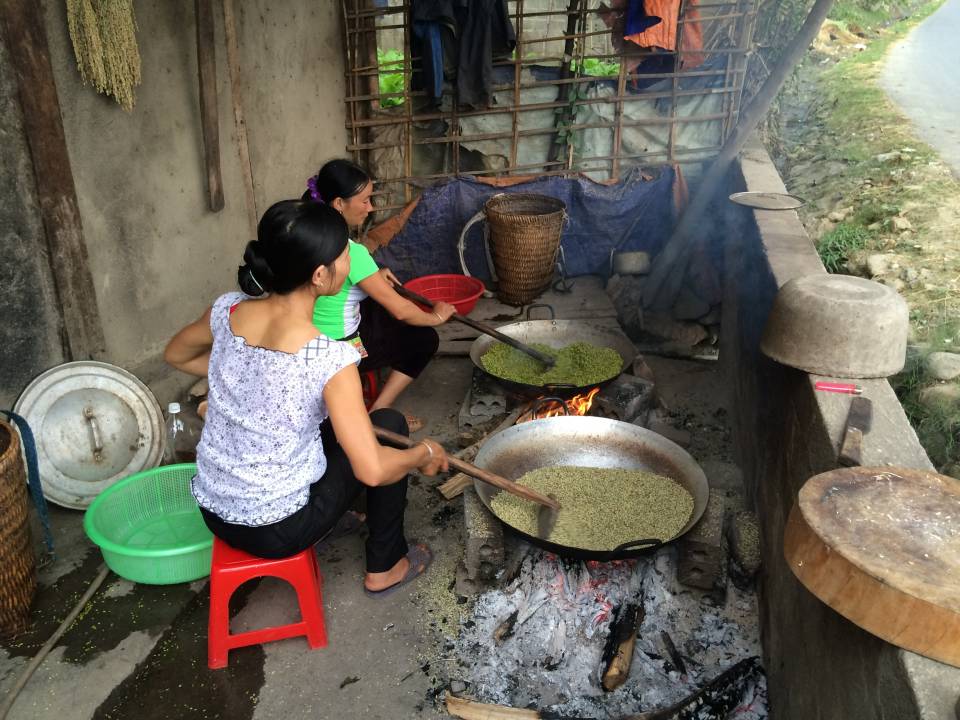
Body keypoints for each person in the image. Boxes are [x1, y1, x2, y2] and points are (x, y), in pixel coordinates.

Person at [164, 200, 448, 596]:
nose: (351, 260)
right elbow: (373, 470)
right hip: (278, 528)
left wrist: (242, 374)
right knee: (389, 426)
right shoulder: (329, 358)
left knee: (336, 426)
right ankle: (385, 566)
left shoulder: (227, 310)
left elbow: (176, 354)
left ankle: (339, 513)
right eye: (346, 254)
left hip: (213, 509)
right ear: (319, 275)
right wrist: (423, 455)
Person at [305, 160, 456, 430]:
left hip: (303, 338)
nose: (370, 208)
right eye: (364, 201)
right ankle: (378, 413)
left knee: (372, 304)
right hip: (338, 353)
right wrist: (436, 317)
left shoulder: (304, 233)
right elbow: (402, 311)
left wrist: (373, 275)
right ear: (338, 203)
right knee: (424, 339)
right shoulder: (351, 252)